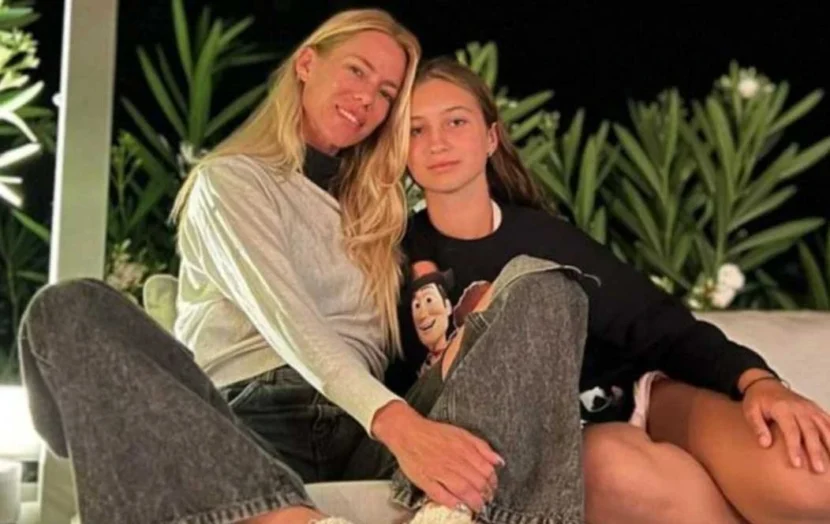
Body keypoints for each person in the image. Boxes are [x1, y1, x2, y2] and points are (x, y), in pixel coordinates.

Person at [17, 9, 503, 524]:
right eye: (357, 70)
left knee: (534, 288)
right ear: (307, 64)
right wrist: (400, 426)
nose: (367, 98)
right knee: (67, 306)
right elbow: (289, 319)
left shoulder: (380, 218)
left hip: (361, 434)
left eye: (386, 92)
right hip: (249, 423)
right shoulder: (231, 182)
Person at [399, 56, 830, 524]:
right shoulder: (393, 257)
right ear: (396, 148)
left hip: (641, 395)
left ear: (491, 137)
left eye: (456, 121)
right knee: (625, 471)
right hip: (566, 442)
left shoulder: (545, 236)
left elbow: (661, 326)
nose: (437, 142)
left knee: (810, 480)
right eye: (416, 129)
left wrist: (758, 382)